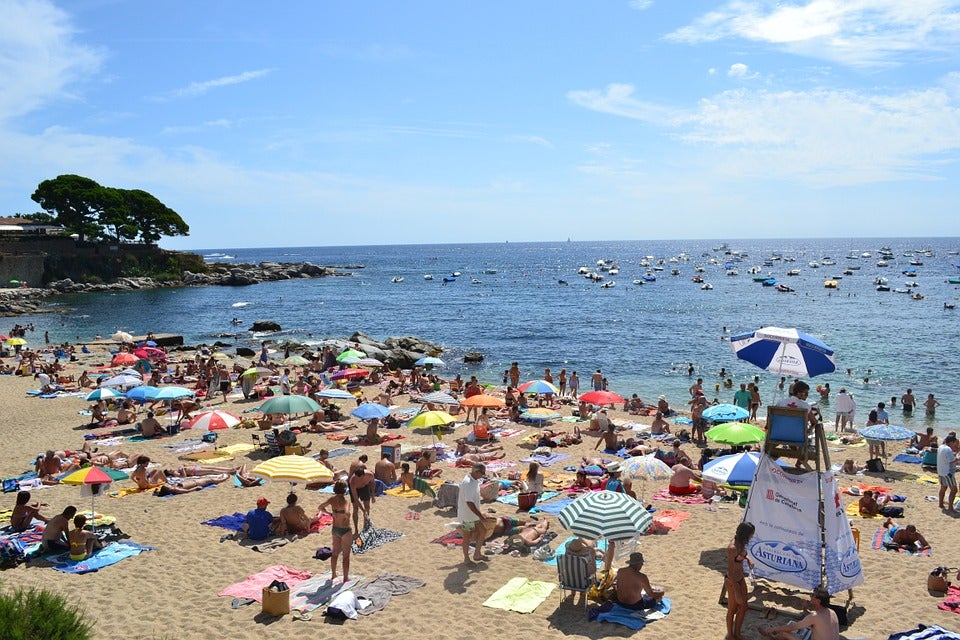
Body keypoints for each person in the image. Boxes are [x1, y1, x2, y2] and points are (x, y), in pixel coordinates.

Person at [759, 586, 840, 640]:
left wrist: (772, 629)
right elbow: (813, 619)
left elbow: (792, 627)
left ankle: (771, 635)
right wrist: (804, 608)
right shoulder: (831, 612)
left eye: (812, 595)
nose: (810, 596)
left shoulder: (815, 616)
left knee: (783, 633)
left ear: (818, 601)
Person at [726, 522, 755, 640]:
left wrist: (748, 558)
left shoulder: (741, 542)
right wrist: (737, 591)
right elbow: (731, 570)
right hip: (732, 580)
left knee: (744, 607)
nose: (752, 536)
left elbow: (740, 556)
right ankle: (730, 635)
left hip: (740, 577)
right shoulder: (732, 548)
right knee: (732, 609)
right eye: (751, 534)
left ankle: (737, 634)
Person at [457, 462, 491, 563]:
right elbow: (469, 503)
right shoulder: (468, 483)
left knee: (483, 531)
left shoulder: (474, 480)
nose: (483, 475)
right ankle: (466, 559)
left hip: (473, 514)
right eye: (482, 473)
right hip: (467, 515)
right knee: (467, 536)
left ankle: (477, 554)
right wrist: (481, 516)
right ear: (476, 471)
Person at [319, 481, 352, 580]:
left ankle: (333, 574)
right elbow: (347, 513)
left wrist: (331, 513)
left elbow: (320, 507)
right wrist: (343, 515)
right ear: (344, 490)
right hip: (345, 529)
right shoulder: (346, 501)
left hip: (335, 528)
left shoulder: (332, 499)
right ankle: (345, 577)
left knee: (335, 553)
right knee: (346, 556)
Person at [348, 465, 376, 532]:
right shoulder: (352, 481)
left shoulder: (369, 475)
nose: (358, 480)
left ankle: (365, 527)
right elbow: (356, 499)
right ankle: (356, 529)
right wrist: (363, 511)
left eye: (359, 478)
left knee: (367, 507)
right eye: (357, 478)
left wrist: (373, 495)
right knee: (355, 508)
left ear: (363, 475)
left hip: (364, 487)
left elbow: (373, 484)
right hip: (355, 489)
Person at [937, 434, 958, 511]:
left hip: (941, 471)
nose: (955, 444)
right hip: (948, 473)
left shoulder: (941, 447)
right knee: (954, 490)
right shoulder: (948, 449)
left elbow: (945, 458)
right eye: (954, 443)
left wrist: (955, 454)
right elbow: (951, 461)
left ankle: (941, 504)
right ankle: (950, 507)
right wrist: (958, 459)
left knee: (943, 488)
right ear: (952, 442)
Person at [155, 475, 229, 496]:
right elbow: (186, 491)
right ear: (168, 489)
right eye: (167, 486)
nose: (168, 485)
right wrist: (196, 488)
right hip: (196, 483)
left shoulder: (173, 488)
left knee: (209, 479)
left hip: (194, 481)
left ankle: (221, 478)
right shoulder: (175, 489)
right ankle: (224, 478)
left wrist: (157, 492)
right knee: (211, 480)